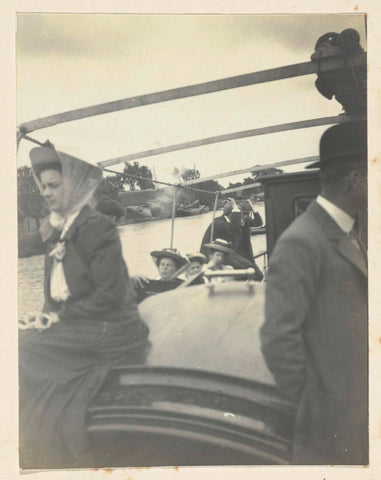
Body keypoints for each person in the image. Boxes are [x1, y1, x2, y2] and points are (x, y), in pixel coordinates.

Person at [18, 144, 150, 469]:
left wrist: (57, 319)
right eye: (43, 186)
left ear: (72, 187)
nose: (46, 193)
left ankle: (47, 438)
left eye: (53, 186)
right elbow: (24, 250)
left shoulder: (99, 227)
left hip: (112, 329)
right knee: (21, 340)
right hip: (83, 322)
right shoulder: (58, 226)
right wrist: (48, 315)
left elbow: (109, 295)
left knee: (25, 351)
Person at [260, 121, 367, 465]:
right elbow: (278, 339)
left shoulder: (352, 231)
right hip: (335, 424)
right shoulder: (301, 241)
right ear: (354, 179)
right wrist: (318, 405)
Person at [200, 198, 263, 280]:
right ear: (232, 214)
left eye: (247, 214)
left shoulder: (242, 219)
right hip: (222, 256)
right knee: (243, 274)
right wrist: (235, 208)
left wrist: (253, 208)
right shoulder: (218, 223)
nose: (245, 217)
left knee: (258, 275)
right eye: (243, 214)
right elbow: (234, 226)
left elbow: (258, 223)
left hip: (241, 254)